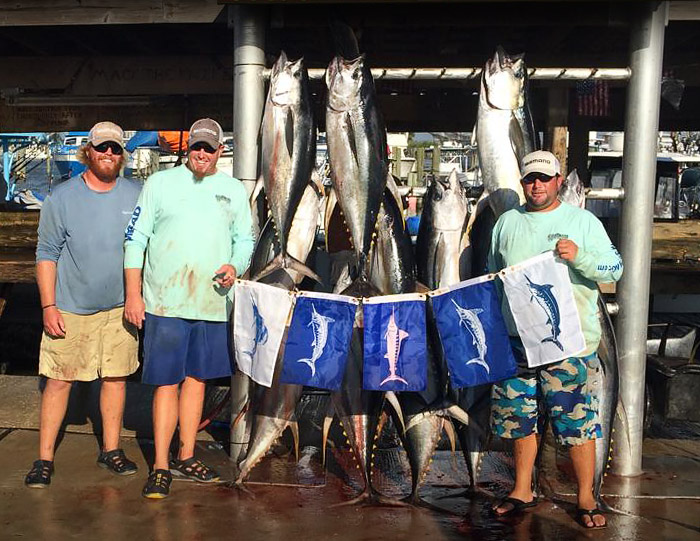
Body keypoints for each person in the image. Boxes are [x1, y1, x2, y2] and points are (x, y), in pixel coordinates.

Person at [488, 150, 623, 529]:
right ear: (522, 182)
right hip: (517, 343)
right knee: (518, 420)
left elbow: (615, 267)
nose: (537, 185)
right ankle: (521, 489)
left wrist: (580, 257)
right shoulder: (505, 223)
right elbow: (491, 275)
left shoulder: (583, 221)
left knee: (576, 422)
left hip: (568, 344)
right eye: (531, 178)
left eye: (544, 178)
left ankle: (586, 497)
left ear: (559, 181)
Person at [124, 118, 255, 499]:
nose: (201, 153)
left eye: (209, 148)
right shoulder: (158, 184)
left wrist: (236, 265)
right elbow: (135, 240)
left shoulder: (232, 190)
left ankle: (186, 453)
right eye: (196, 146)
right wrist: (135, 295)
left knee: (197, 381)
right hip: (165, 303)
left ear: (220, 151)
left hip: (212, 304)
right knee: (167, 383)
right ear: (188, 149)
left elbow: (244, 240)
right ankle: (161, 465)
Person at [26, 121, 142, 488]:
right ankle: (44, 457)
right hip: (71, 308)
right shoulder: (61, 198)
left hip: (120, 310)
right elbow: (46, 254)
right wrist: (49, 306)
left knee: (116, 379)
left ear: (122, 154)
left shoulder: (138, 194)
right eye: (102, 148)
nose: (108, 154)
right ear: (87, 152)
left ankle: (111, 449)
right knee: (58, 382)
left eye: (115, 149)